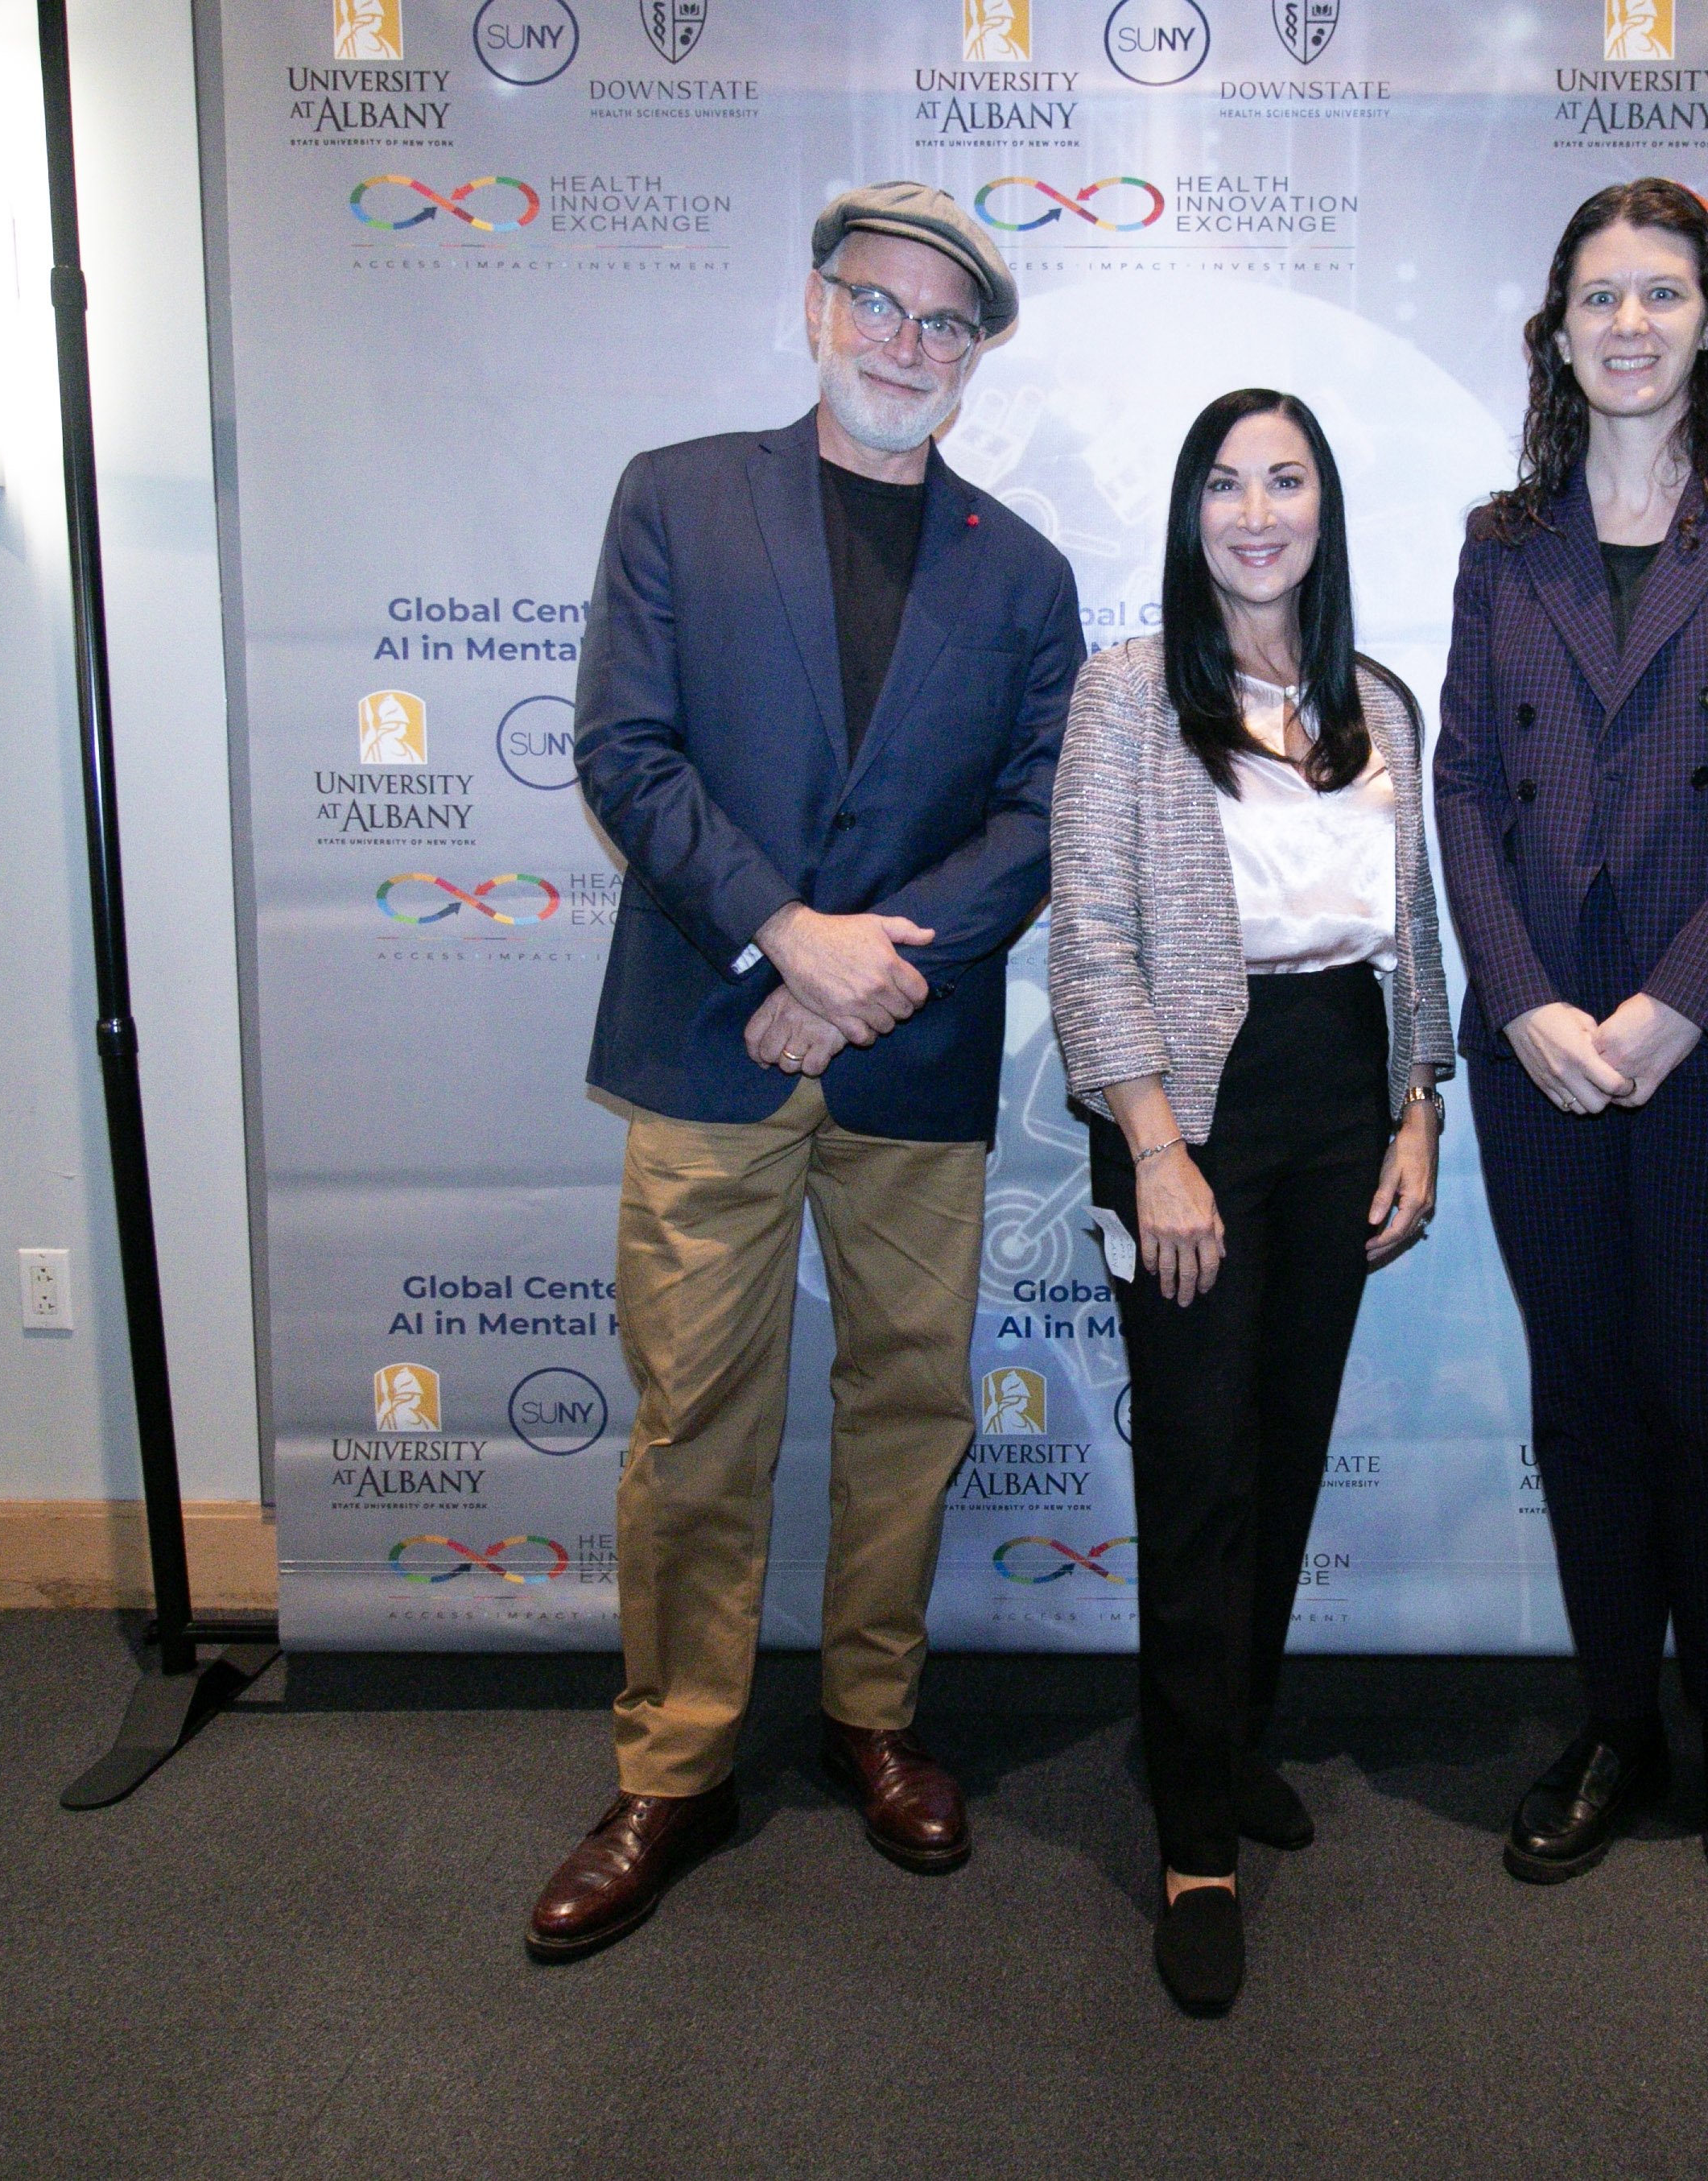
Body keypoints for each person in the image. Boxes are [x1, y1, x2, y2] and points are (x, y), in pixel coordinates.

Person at [524, 183, 1086, 1962]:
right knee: (698, 1417)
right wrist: (785, 933)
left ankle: (870, 1712)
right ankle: (675, 1762)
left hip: (908, 1062)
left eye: (946, 323)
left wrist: (856, 976)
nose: (907, 343)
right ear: (815, 306)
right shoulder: (678, 494)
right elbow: (625, 752)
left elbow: (1036, 817)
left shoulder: (1025, 566)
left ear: (976, 356)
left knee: (913, 1405)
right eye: (879, 304)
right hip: (707, 1037)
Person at [1432, 179, 1708, 1897]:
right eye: (1596, 297)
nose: (1627, 324)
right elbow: (1464, 783)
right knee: (1586, 1403)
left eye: (1660, 294)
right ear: (1557, 328)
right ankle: (1617, 1721)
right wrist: (1530, 999)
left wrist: (1673, 1002)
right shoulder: (1500, 537)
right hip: (1543, 1047)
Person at [1047, 389, 1453, 2011]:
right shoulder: (1129, 690)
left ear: (1323, 507)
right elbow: (1087, 938)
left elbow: (1404, 930)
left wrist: (1419, 1107)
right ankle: (1195, 1832)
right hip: (1189, 1111)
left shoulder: (1379, 704)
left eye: (1284, 478)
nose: (1255, 508)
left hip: (1340, 1094)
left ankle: (1224, 1734)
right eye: (1224, 480)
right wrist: (1154, 1148)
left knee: (1283, 1456)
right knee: (1203, 1466)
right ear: (1189, 511)